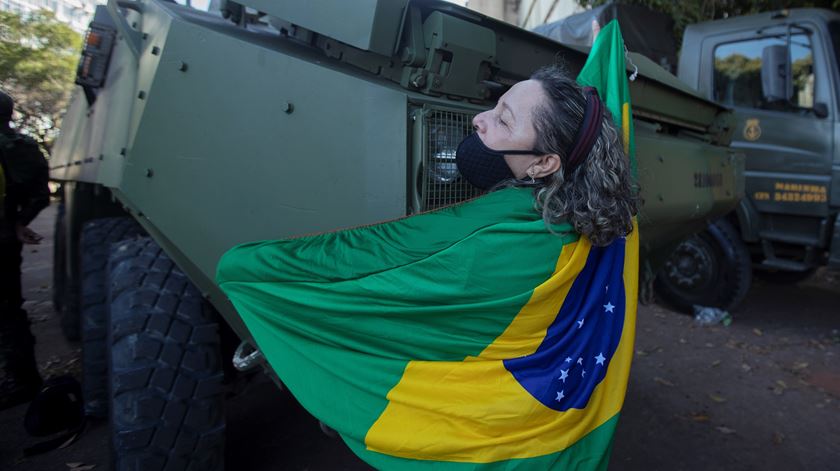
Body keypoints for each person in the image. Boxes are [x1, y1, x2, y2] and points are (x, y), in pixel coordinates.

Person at [455, 64, 636, 246]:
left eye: (503, 121)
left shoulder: (518, 244)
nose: (477, 118)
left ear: (543, 164)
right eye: (495, 106)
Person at [0, 90, 50, 410]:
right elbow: (40, 195)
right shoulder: (23, 147)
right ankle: (24, 380)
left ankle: (22, 381)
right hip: (5, 237)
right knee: (9, 310)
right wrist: (19, 223)